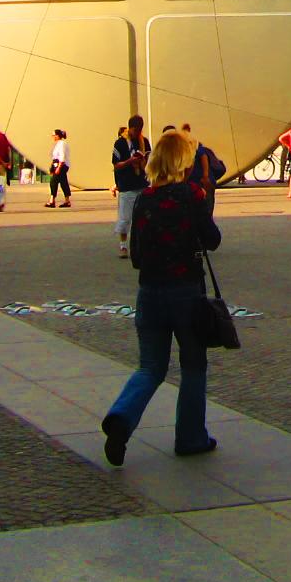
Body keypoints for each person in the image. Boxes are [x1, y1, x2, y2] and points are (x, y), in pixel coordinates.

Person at [100, 129, 223, 466]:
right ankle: (190, 436)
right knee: (193, 365)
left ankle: (121, 420)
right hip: (186, 293)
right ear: (183, 160)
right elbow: (212, 239)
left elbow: (137, 256)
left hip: (150, 293)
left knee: (150, 367)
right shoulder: (192, 195)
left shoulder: (144, 199)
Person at [112, 115, 150, 257]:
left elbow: (149, 161)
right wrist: (130, 161)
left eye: (140, 130)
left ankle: (143, 245)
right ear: (131, 128)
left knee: (144, 217)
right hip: (126, 185)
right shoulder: (120, 143)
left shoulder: (144, 142)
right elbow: (116, 165)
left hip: (142, 183)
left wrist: (142, 161)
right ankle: (123, 245)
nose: (138, 133)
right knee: (125, 217)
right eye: (136, 130)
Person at [45, 129, 72, 207]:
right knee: (63, 182)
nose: (52, 137)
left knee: (53, 182)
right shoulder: (58, 144)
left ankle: (52, 200)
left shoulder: (62, 144)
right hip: (57, 165)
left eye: (53, 135)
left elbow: (62, 156)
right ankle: (67, 201)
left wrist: (59, 167)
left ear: (57, 136)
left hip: (61, 165)